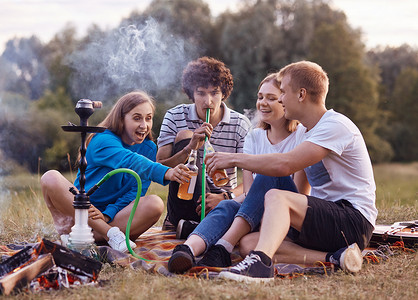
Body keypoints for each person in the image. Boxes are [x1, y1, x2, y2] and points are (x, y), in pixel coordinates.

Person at [204, 61, 377, 283]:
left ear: (301, 94)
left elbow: (285, 165)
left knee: (277, 195)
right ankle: (335, 258)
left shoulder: (335, 126)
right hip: (324, 220)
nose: (282, 99)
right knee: (248, 244)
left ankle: (260, 267)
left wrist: (234, 159)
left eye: (283, 92)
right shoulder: (306, 129)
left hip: (352, 220)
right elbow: (277, 165)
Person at [167, 73, 309, 273]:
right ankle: (188, 249)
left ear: (285, 99)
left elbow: (302, 196)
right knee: (228, 205)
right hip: (255, 213)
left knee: (270, 170)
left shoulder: (302, 136)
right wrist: (227, 199)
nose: (262, 103)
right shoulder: (254, 137)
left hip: (286, 215)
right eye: (260, 97)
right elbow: (250, 195)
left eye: (271, 97)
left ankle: (222, 246)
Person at [41, 91, 191, 252]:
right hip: (78, 214)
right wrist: (167, 172)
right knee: (50, 177)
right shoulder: (103, 140)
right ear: (121, 119)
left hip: (112, 218)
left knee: (154, 203)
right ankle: (108, 234)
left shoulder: (149, 149)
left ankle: (81, 239)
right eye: (136, 118)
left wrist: (107, 214)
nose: (144, 125)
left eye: (148, 118)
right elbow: (128, 160)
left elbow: (135, 192)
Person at [156, 56, 251, 233]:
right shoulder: (175, 116)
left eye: (214, 93)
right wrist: (189, 147)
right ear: (191, 94)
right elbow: (159, 167)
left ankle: (194, 228)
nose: (208, 101)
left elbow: (251, 177)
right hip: (184, 201)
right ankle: (199, 227)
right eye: (201, 93)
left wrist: (224, 197)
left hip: (223, 203)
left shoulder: (240, 124)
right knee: (185, 134)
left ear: (224, 94)